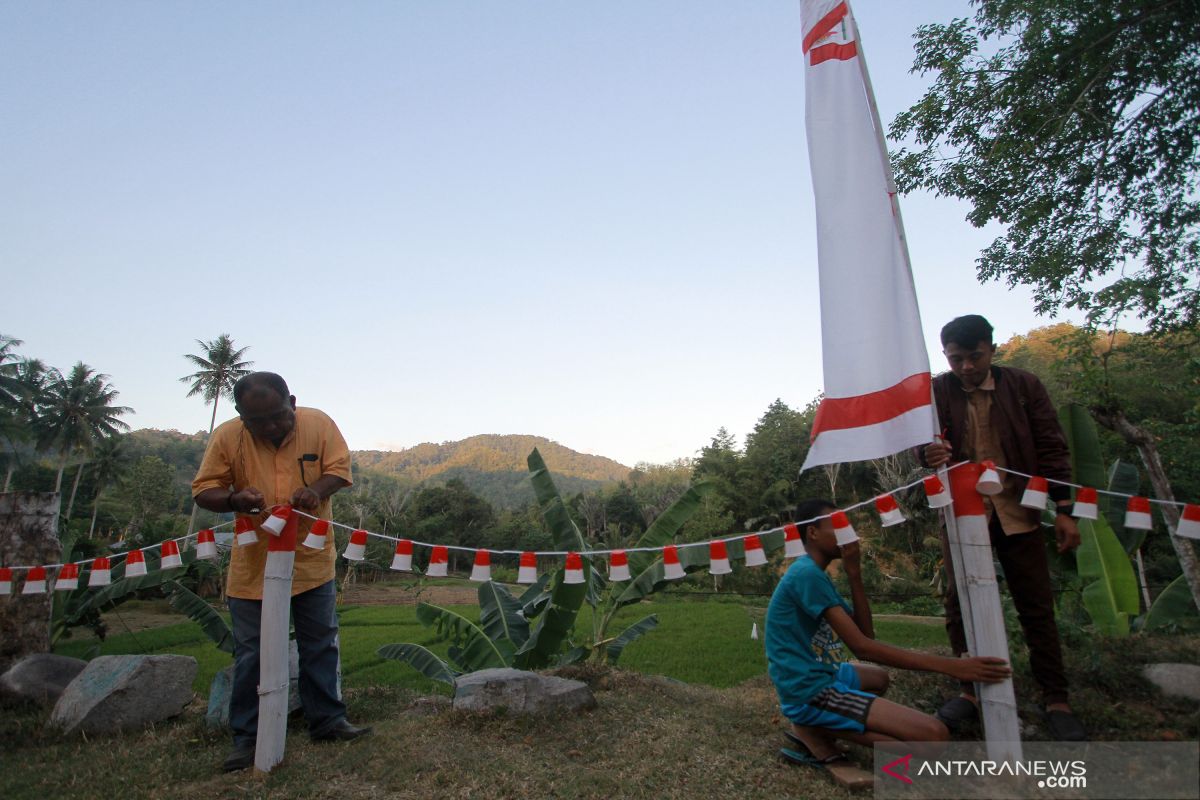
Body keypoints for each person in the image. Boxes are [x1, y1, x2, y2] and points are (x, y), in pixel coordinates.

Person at [192, 371, 370, 772]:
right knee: (253, 650)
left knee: (320, 641)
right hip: (253, 563)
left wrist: (316, 492)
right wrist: (235, 498)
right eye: (258, 422)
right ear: (241, 415)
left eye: (278, 416)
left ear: (292, 402)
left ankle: (328, 720)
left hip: (310, 557)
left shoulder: (318, 423)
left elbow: (339, 470)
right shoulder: (226, 437)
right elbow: (204, 490)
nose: (271, 427)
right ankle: (247, 738)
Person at [922, 314, 1085, 741]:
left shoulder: (1023, 387)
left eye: (974, 357)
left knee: (1035, 601)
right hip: (962, 512)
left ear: (991, 349)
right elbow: (921, 448)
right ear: (946, 357)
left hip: (1017, 508)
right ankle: (969, 689)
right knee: (960, 602)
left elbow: (1051, 445)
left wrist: (1065, 510)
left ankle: (1056, 697)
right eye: (956, 359)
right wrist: (929, 454)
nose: (966, 367)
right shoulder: (937, 391)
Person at [766, 498, 1011, 765]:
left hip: (821, 673)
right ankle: (815, 727)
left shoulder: (815, 573)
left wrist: (854, 572)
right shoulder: (806, 575)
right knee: (934, 737)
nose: (848, 533)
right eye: (837, 525)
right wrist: (951, 667)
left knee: (878, 679)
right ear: (812, 532)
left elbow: (866, 634)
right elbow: (863, 648)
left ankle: (824, 722)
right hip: (808, 688)